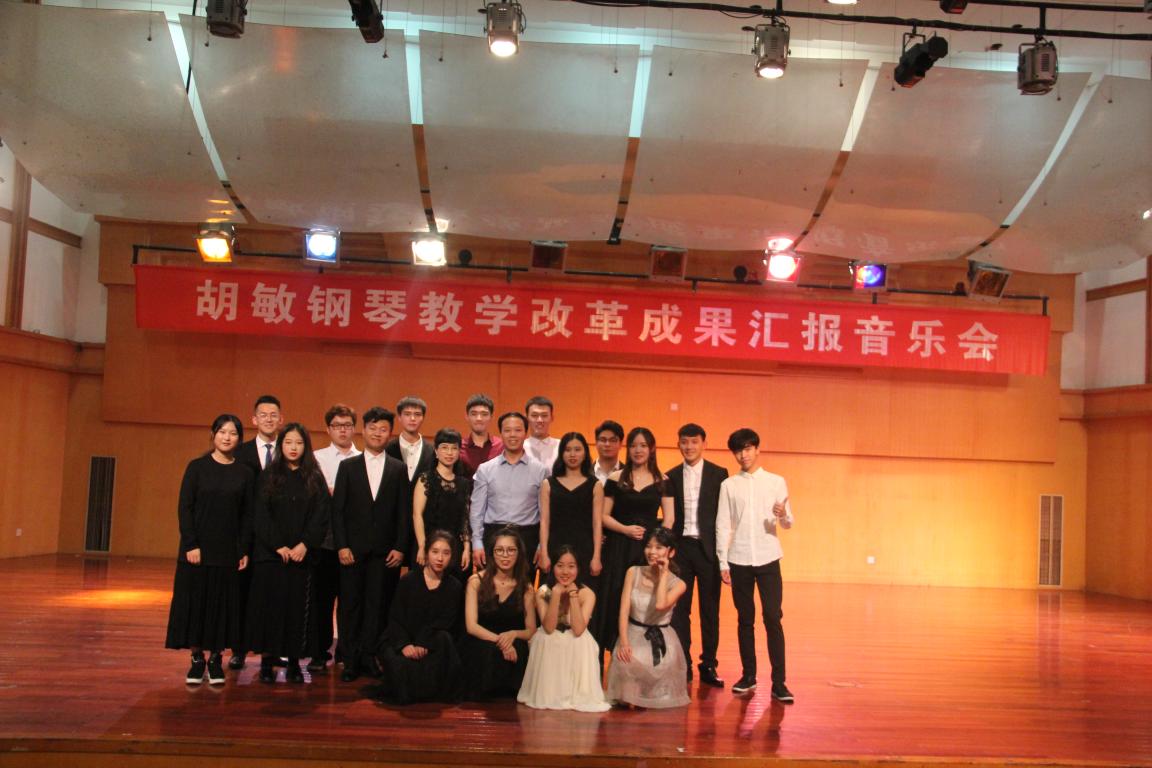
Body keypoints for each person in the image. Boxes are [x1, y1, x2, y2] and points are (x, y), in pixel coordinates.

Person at [165, 414, 253, 686]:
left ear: (239, 439)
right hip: (197, 552)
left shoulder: (245, 473)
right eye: (222, 432)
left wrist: (243, 549)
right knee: (196, 605)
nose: (227, 437)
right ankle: (196, 659)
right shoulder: (197, 468)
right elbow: (185, 508)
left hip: (227, 551)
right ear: (213, 435)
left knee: (220, 607)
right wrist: (191, 544)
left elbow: (247, 516)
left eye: (233, 433)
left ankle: (215, 659)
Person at [332, 406, 411, 683]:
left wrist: (400, 547)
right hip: (352, 552)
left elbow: (403, 513)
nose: (378, 433)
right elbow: (338, 511)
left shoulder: (398, 468)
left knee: (378, 607)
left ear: (390, 433)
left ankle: (370, 656)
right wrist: (342, 546)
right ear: (363, 431)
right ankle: (350, 659)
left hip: (385, 553)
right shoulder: (348, 467)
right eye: (373, 428)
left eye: (383, 429)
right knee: (350, 606)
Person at [716, 427, 795, 703]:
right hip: (738, 559)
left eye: (748, 448)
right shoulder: (728, 485)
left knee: (772, 617)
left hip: (768, 556)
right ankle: (748, 676)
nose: (743, 455)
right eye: (738, 450)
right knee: (745, 619)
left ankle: (779, 682)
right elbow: (723, 524)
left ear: (757, 449)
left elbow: (788, 523)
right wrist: (722, 561)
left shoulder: (776, 482)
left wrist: (782, 514)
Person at [246, 423, 329, 684]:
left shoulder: (314, 477)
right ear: (281, 445)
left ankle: (294, 662)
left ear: (306, 446)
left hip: (302, 557)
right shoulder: (268, 475)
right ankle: (267, 662)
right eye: (289, 442)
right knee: (269, 610)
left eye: (299, 443)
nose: (293, 448)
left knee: (297, 611)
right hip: (272, 556)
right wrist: (278, 545)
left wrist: (305, 545)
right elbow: (261, 515)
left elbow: (321, 515)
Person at [594, 427, 674, 654]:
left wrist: (657, 547)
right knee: (614, 596)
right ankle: (608, 650)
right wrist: (625, 529)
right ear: (627, 449)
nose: (638, 450)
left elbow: (669, 519)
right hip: (618, 547)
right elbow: (603, 516)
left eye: (643, 446)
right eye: (633, 445)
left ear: (651, 449)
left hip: (647, 550)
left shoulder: (663, 480)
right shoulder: (616, 478)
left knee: (643, 600)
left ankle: (639, 654)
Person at [667, 423, 729, 688]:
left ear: (704, 444)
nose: (689, 447)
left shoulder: (719, 474)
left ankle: (709, 664)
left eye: (694, 442)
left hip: (708, 550)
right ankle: (684, 664)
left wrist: (724, 555)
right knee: (680, 610)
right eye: (684, 442)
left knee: (710, 610)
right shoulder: (670, 476)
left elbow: (724, 516)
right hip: (681, 550)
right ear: (678, 444)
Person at [605, 527, 690, 709]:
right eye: (649, 546)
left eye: (659, 547)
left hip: (660, 640)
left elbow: (660, 604)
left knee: (651, 699)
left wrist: (664, 574)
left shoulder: (679, 584)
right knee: (628, 698)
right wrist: (624, 642)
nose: (652, 552)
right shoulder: (633, 572)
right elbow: (623, 610)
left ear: (671, 552)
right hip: (633, 634)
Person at [375, 531, 464, 704]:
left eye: (446, 553)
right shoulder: (409, 580)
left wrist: (424, 642)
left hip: (433, 640)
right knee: (397, 662)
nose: (440, 558)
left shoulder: (454, 586)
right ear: (426, 553)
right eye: (435, 552)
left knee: (444, 640)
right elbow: (395, 617)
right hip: (404, 637)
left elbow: (446, 621)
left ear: (452, 556)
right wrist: (405, 644)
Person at [517, 547, 610, 712]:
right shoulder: (543, 592)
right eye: (560, 566)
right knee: (546, 638)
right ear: (553, 567)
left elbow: (578, 629)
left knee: (580, 640)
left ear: (578, 569)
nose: (565, 571)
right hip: (551, 635)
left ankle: (577, 694)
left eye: (571, 566)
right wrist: (556, 594)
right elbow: (548, 627)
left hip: (575, 636)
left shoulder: (587, 594)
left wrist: (573, 595)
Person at [230, 394, 282, 670]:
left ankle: (270, 652)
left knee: (273, 597)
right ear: (254, 419)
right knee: (242, 594)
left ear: (281, 419)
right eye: (263, 415)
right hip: (248, 536)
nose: (269, 419)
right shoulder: (240, 452)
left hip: (279, 538)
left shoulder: (290, 450)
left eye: (273, 415)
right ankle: (239, 649)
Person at [310, 403, 361, 672]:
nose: (343, 430)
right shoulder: (316, 458)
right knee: (322, 599)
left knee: (350, 601)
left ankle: (346, 651)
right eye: (337, 426)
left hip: (353, 540)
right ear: (328, 429)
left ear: (354, 428)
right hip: (324, 541)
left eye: (347, 425)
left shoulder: (363, 458)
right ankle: (319, 652)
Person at [469, 412, 548, 584]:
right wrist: (477, 542)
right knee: (490, 591)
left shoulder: (540, 470)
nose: (513, 435)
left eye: (518, 430)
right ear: (501, 434)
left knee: (523, 591)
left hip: (527, 538)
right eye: (507, 430)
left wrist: (542, 545)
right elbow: (476, 511)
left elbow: (545, 514)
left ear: (525, 433)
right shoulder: (485, 469)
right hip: (493, 536)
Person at [459, 527, 537, 699]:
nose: (505, 555)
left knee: (520, 649)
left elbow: (531, 630)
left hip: (511, 640)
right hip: (482, 639)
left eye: (511, 550)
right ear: (492, 554)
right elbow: (471, 626)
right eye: (499, 550)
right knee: (488, 651)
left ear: (519, 554)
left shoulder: (526, 587)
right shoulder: (475, 581)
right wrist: (502, 642)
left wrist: (513, 634)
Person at [538, 432, 602, 592]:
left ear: (585, 453)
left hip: (584, 549)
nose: (572, 454)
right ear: (561, 453)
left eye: (577, 449)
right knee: (550, 596)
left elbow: (597, 523)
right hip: (554, 548)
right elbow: (544, 522)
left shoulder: (595, 485)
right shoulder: (548, 484)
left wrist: (596, 556)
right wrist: (544, 553)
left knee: (582, 597)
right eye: (567, 450)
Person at [412, 428, 472, 582]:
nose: (449, 453)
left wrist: (467, 549)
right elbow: (417, 514)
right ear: (436, 451)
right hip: (429, 546)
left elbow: (466, 519)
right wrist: (422, 546)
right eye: (444, 447)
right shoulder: (426, 479)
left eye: (454, 448)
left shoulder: (464, 483)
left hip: (454, 548)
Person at [385, 395, 435, 489]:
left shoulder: (432, 451)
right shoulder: (387, 449)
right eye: (407, 414)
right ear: (399, 417)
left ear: (423, 417)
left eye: (417, 414)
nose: (412, 418)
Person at [460, 394, 503, 478]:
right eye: (474, 414)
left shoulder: (501, 446)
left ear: (492, 417)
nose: (479, 418)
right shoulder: (459, 447)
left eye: (484, 414)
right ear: (467, 417)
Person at [523, 396, 560, 470]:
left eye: (544, 415)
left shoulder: (561, 446)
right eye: (534, 415)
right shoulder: (520, 447)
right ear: (526, 418)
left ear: (552, 418)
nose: (540, 420)